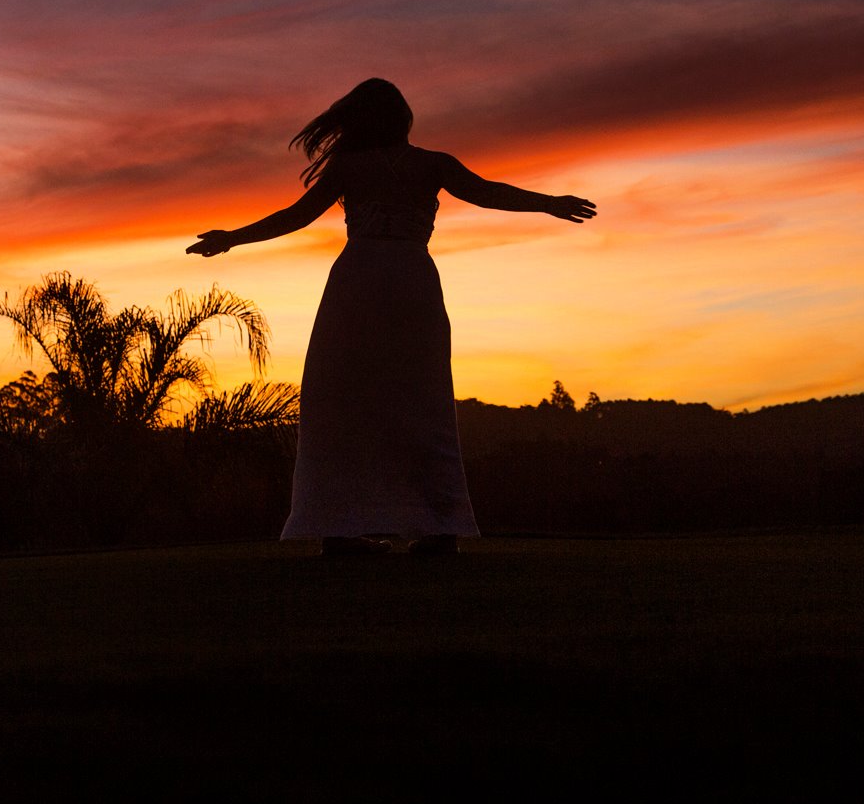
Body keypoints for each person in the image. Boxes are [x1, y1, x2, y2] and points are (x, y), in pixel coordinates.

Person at [185, 79, 596, 556]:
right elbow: (487, 193)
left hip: (361, 283)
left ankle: (353, 531)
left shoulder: (360, 167)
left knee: (352, 401)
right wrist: (550, 203)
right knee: (415, 400)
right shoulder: (427, 164)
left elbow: (295, 217)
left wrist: (233, 237)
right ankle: (426, 530)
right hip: (406, 282)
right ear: (400, 118)